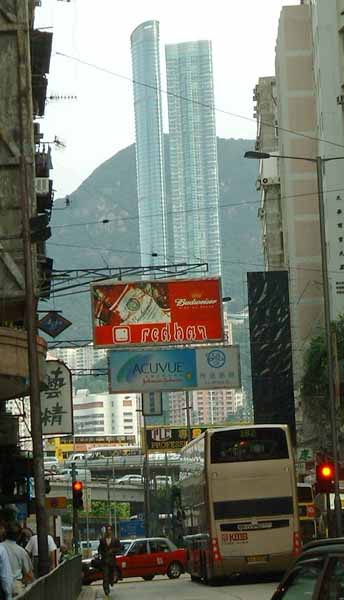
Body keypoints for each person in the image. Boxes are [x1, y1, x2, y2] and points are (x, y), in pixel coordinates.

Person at [1, 522, 33, 597]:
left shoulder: (1, 547)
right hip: (16, 587)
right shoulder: (21, 551)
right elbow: (29, 573)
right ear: (19, 536)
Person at [98, 525, 121, 599]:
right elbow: (100, 549)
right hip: (105, 561)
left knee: (111, 575)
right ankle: (106, 590)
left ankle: (111, 582)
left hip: (112, 561)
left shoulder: (115, 539)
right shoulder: (102, 540)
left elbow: (119, 548)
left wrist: (113, 550)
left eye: (110, 530)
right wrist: (101, 554)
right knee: (105, 576)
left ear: (112, 531)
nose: (108, 531)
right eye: (107, 530)